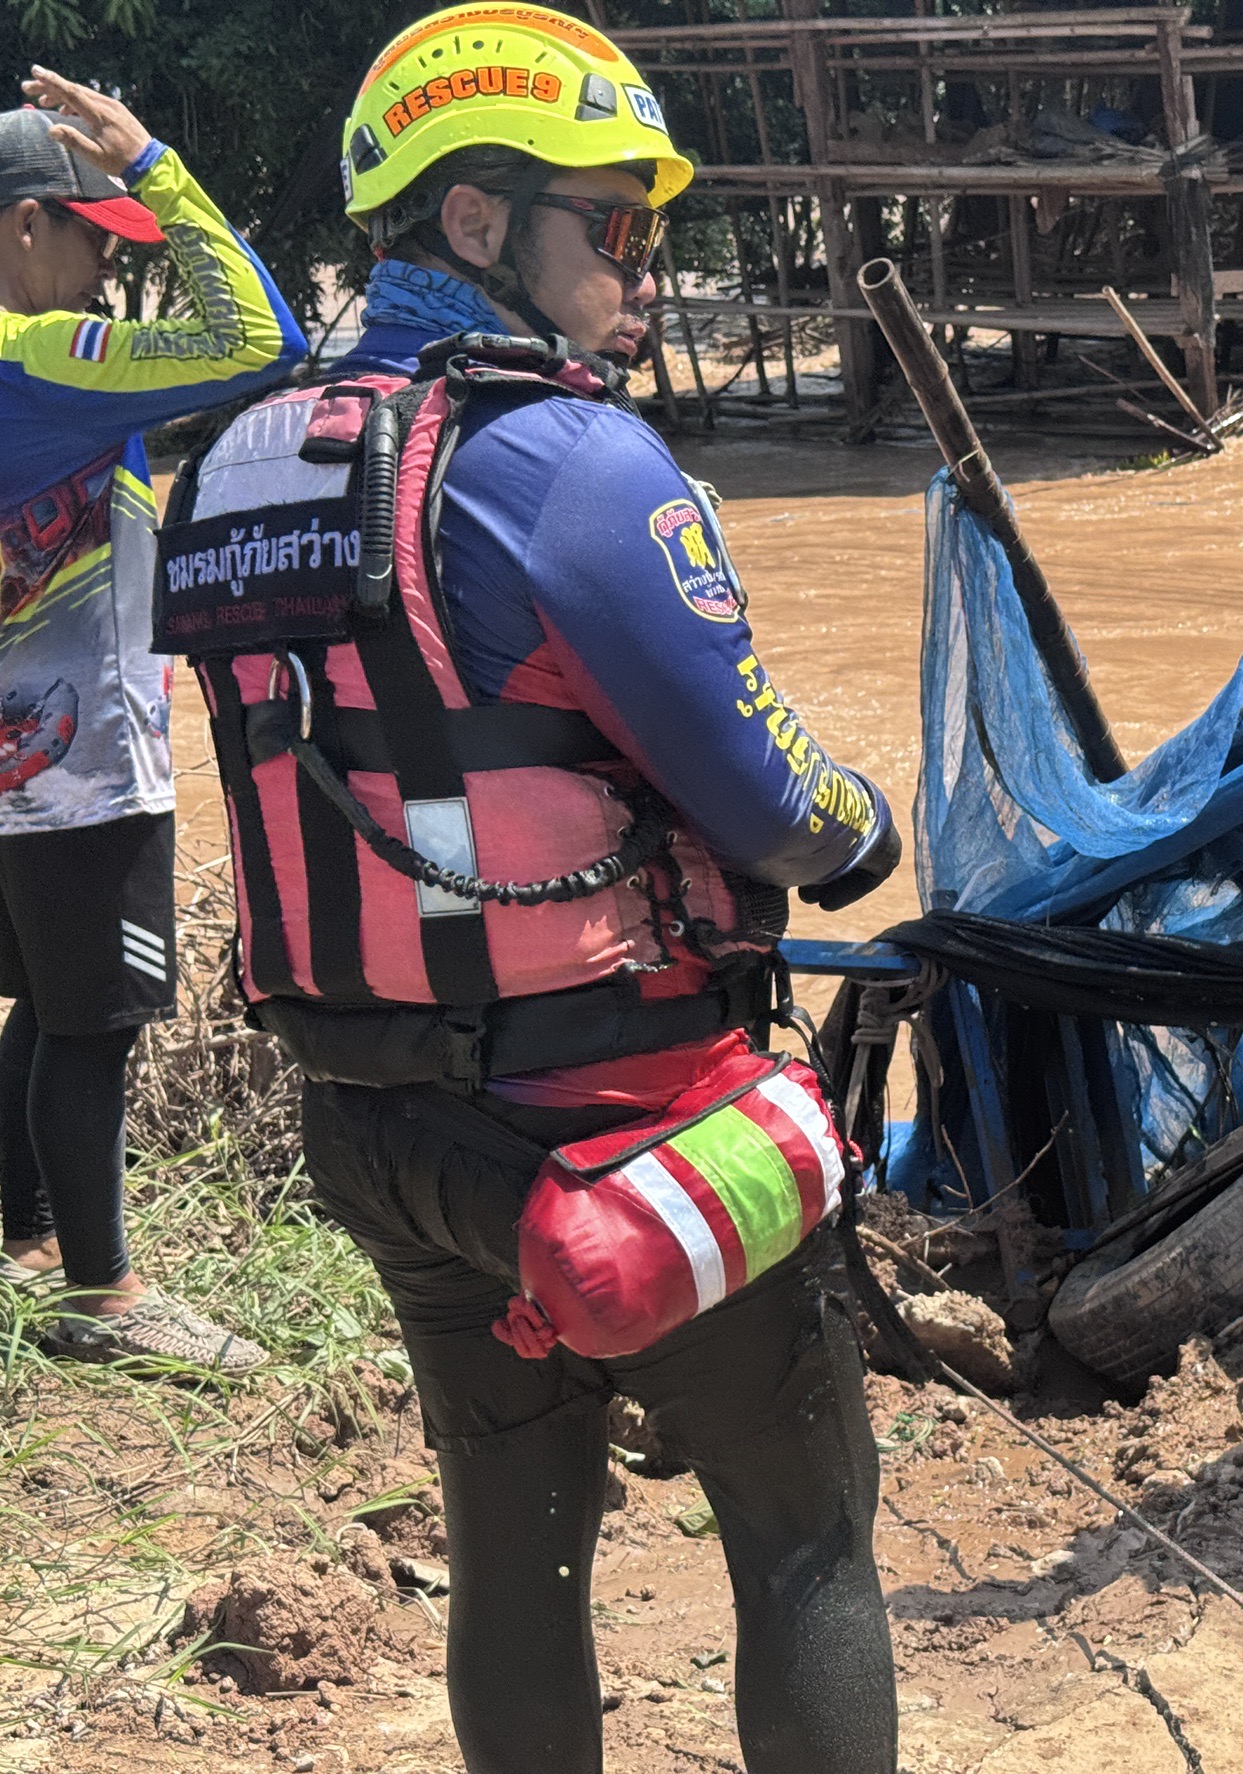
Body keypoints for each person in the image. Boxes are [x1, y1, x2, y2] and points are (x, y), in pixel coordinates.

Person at [169, 8, 901, 1767]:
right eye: (616, 224)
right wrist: (860, 830)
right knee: (804, 1529)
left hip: (378, 1127)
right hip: (623, 1113)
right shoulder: (572, 465)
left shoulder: (237, 459)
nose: (644, 269)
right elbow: (777, 807)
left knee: (515, 1536)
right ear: (480, 224)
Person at [0, 68, 303, 1368]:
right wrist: (153, 167)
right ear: (23, 224)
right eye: (88, 237)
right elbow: (262, 337)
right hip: (82, 770)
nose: (97, 273)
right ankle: (106, 1300)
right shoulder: (45, 357)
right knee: (95, 1024)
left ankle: (22, 1245)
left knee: (36, 1004)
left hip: (18, 767)